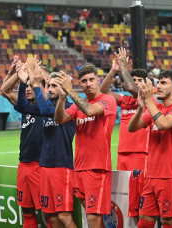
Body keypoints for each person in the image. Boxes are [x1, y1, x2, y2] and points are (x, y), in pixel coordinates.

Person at [17, 58, 77, 228]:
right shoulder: (47, 105)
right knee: (51, 215)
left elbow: (46, 111)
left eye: (53, 86)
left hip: (61, 167)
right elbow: (22, 106)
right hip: (45, 167)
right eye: (49, 86)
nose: (49, 89)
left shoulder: (70, 108)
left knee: (64, 217)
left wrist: (36, 83)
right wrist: (23, 84)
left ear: (64, 88)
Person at [54, 64, 117, 228]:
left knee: (93, 220)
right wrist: (62, 98)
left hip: (97, 169)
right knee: (93, 219)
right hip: (80, 168)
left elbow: (89, 110)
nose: (88, 84)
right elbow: (60, 119)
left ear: (98, 80)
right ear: (80, 84)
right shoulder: (77, 104)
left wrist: (70, 91)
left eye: (91, 80)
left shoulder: (107, 100)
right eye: (84, 81)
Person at [128, 70, 172, 228]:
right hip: (151, 176)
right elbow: (132, 127)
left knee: (169, 222)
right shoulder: (156, 108)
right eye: (158, 82)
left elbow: (163, 124)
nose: (159, 86)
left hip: (171, 176)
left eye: (163, 83)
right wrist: (141, 108)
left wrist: (149, 101)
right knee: (144, 221)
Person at [100, 48, 149, 224]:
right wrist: (113, 71)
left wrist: (123, 67)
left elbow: (130, 87)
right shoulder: (125, 101)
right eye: (134, 80)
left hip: (140, 155)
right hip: (122, 155)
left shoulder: (150, 99)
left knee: (139, 202)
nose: (135, 83)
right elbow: (102, 93)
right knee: (123, 201)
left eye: (139, 81)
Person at [0, 56, 44, 227]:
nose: (28, 89)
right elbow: (4, 90)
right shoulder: (25, 107)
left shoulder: (45, 107)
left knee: (49, 214)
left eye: (31, 86)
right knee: (26, 211)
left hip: (40, 165)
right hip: (23, 165)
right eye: (27, 86)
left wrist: (31, 74)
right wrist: (16, 73)